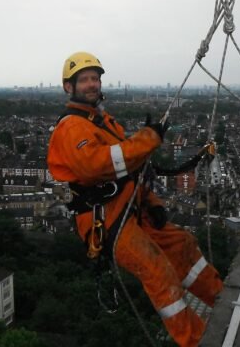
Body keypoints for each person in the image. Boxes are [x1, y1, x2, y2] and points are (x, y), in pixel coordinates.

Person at [47, 52, 223, 347]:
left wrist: (152, 201)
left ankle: (220, 297)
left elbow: (130, 171)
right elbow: (97, 164)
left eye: (95, 78)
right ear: (69, 87)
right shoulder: (71, 127)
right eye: (84, 79)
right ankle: (197, 340)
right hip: (105, 218)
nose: (92, 84)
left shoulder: (102, 121)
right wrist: (147, 140)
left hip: (130, 206)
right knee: (159, 272)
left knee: (182, 245)